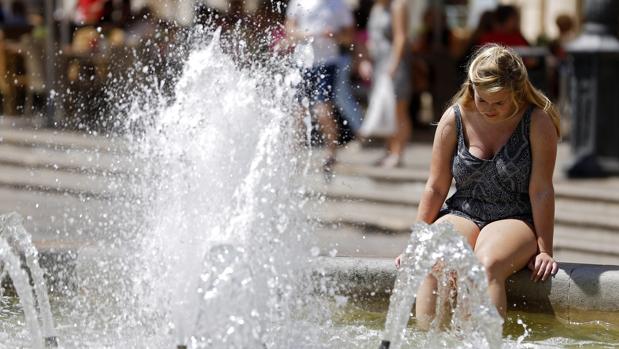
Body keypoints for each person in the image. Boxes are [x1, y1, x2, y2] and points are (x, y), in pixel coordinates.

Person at [395, 44, 561, 328]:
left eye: (499, 102)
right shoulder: (454, 118)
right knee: (433, 260)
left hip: (514, 215)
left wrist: (545, 249)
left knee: (485, 265)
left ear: (516, 91)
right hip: (464, 211)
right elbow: (436, 186)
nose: (489, 109)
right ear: (472, 88)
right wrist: (418, 240)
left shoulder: (536, 121)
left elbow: (542, 190)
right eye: (482, 100)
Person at [285, 0, 354, 175]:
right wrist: (310, 34)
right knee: (298, 111)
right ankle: (293, 154)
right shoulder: (298, 2)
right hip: (302, 62)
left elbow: (349, 37)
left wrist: (334, 35)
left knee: (323, 110)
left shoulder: (338, 4)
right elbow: (290, 31)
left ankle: (331, 153)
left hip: (327, 63)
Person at [360, 0, 412, 168]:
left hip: (394, 64)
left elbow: (401, 37)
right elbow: (372, 38)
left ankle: (398, 153)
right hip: (378, 64)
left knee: (398, 110)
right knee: (386, 110)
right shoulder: (376, 6)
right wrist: (366, 60)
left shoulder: (398, 5)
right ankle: (389, 151)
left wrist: (394, 65)